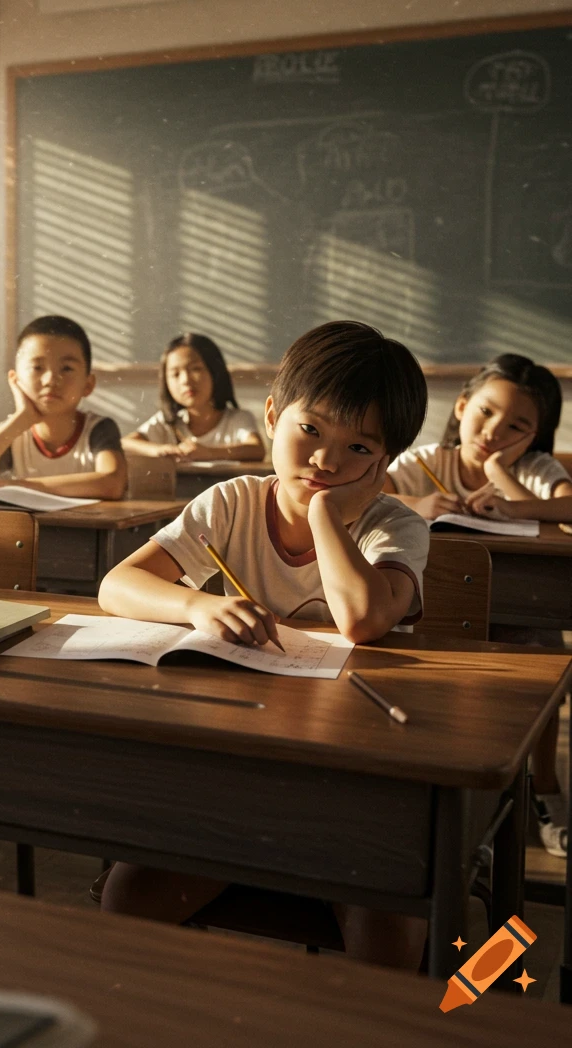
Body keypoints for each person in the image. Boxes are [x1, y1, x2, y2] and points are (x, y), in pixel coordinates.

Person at [96, 320, 431, 970]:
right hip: (238, 772)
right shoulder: (230, 505)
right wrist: (198, 603)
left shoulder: (396, 525)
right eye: (310, 430)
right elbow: (118, 584)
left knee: (388, 942)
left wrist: (323, 514)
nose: (326, 460)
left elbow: (362, 619)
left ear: (383, 465)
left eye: (357, 447)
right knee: (127, 899)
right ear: (274, 415)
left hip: (358, 786)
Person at [385, 352, 572, 857]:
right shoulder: (425, 462)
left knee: (541, 668)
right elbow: (366, 495)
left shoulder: (533, 469)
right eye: (486, 412)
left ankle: (546, 788)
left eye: (517, 426)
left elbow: (567, 503)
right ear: (462, 405)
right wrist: (417, 505)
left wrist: (503, 484)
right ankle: (472, 808)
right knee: (450, 700)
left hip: (515, 620)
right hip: (435, 623)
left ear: (534, 438)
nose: (494, 430)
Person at [0, 315, 127, 499]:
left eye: (67, 369)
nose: (51, 380)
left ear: (88, 384)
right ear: (15, 380)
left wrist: (14, 486)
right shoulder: (15, 434)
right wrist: (21, 419)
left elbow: (112, 483)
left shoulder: (98, 429)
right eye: (37, 368)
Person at [123, 333, 264, 462]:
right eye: (175, 374)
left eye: (195, 369)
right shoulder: (167, 422)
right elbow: (124, 443)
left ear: (215, 372)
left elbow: (256, 449)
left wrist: (209, 453)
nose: (185, 380)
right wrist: (159, 449)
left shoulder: (237, 419)